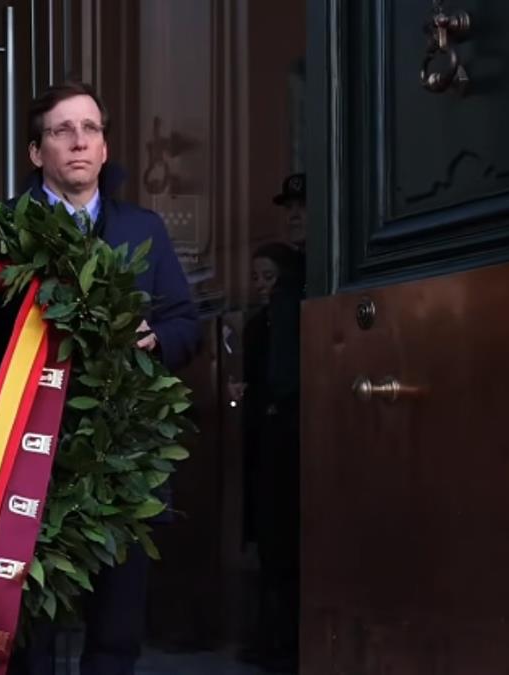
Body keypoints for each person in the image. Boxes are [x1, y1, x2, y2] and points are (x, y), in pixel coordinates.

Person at [8, 81, 200, 675]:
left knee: (116, 627)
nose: (79, 142)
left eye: (90, 129)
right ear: (38, 153)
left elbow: (185, 322)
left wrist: (157, 340)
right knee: (25, 629)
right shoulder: (4, 232)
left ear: (106, 146)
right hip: (27, 451)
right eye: (61, 131)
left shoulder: (143, 228)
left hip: (122, 453)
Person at [232, 240, 303, 673]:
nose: (262, 286)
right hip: (264, 446)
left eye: (270, 277)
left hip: (289, 444)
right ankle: (270, 636)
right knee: (269, 543)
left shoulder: (295, 318)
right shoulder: (258, 328)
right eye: (256, 277)